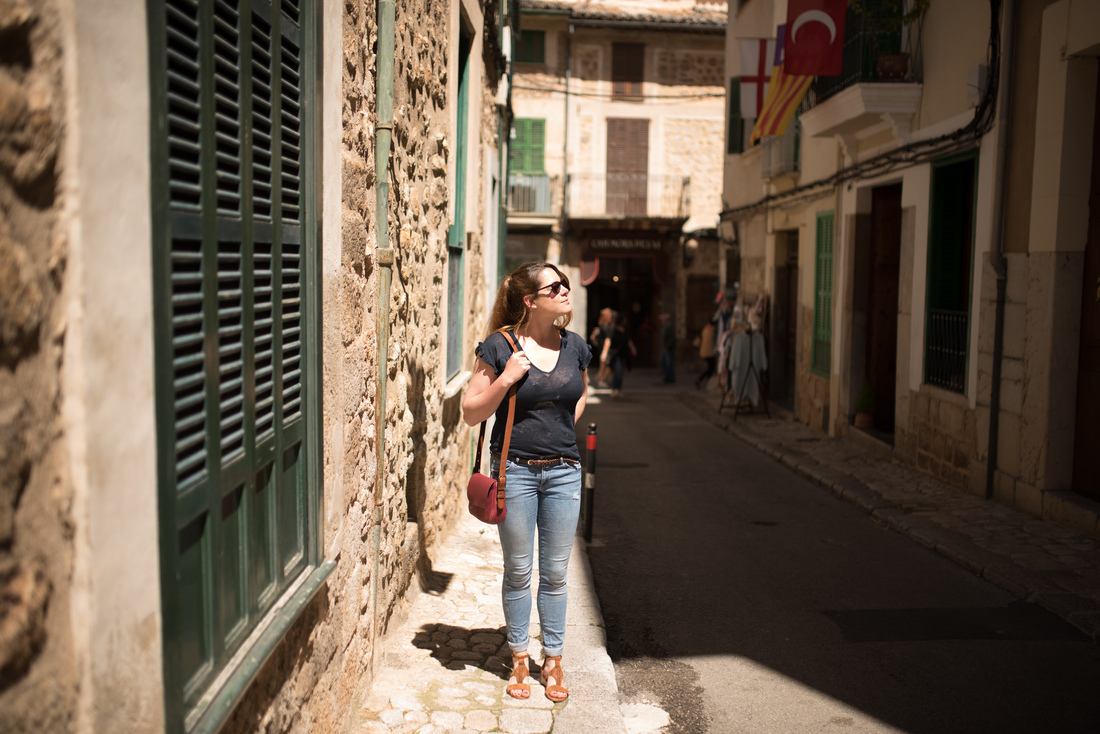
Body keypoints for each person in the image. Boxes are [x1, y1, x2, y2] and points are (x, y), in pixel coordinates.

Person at [461, 262, 591, 703]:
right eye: (554, 287)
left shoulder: (575, 346)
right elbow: (471, 410)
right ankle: (519, 656)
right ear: (529, 301)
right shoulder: (500, 347)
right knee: (519, 571)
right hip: (513, 471)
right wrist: (507, 378)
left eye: (565, 285)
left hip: (564, 473)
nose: (564, 291)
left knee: (555, 573)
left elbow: (579, 395)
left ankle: (552, 658)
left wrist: (557, 430)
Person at [600, 311, 636, 398]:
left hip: (623, 354)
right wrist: (604, 353)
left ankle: (618, 389)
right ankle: (615, 390)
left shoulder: (625, 330)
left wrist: (633, 348)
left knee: (620, 372)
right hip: (615, 354)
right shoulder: (613, 330)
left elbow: (628, 340)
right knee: (617, 372)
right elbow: (608, 341)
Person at [588, 307, 613, 387]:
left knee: (604, 366)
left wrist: (597, 344)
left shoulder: (600, 325)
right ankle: (601, 380)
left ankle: (599, 378)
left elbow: (592, 337)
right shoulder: (606, 326)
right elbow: (608, 339)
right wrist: (604, 352)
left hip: (602, 348)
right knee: (606, 366)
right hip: (605, 349)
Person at [695, 319, 717, 389]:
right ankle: (700, 380)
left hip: (703, 352)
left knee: (710, 368)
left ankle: (702, 380)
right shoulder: (712, 331)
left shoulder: (704, 330)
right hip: (709, 353)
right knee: (711, 368)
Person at [659, 312, 676, 383]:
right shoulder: (665, 327)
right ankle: (667, 377)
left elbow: (672, 338)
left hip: (668, 348)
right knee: (664, 363)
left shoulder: (669, 327)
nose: (661, 321)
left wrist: (667, 346)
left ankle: (670, 378)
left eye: (662, 320)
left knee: (668, 363)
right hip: (665, 348)